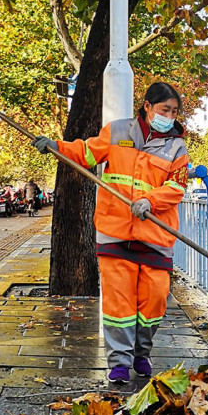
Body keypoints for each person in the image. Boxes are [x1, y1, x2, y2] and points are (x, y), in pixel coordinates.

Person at [33, 82, 188, 384]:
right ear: (147, 107)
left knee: (154, 299)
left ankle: (141, 353)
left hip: (155, 237)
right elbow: (86, 153)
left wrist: (150, 201)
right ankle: (119, 362)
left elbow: (177, 187)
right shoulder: (117, 132)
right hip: (115, 233)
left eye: (173, 111)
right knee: (119, 303)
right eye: (164, 109)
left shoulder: (177, 147)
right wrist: (56, 146)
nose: (169, 116)